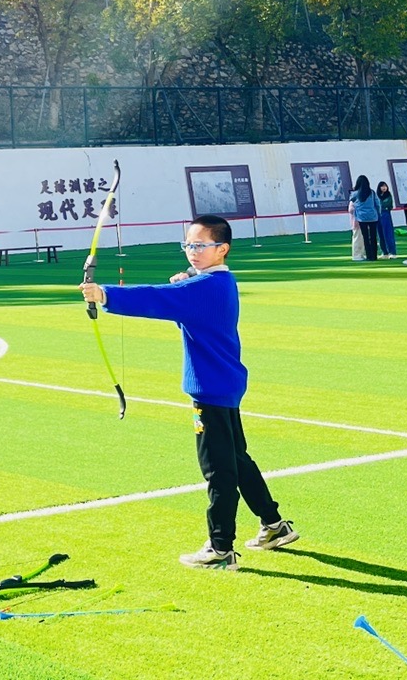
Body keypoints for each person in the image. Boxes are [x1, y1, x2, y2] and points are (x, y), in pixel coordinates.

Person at [80, 213, 296, 570]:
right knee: (237, 460)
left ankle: (220, 549)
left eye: (200, 245)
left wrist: (104, 294)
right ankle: (273, 525)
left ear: (222, 249)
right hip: (223, 384)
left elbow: (158, 298)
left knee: (219, 470)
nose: (191, 251)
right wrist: (190, 280)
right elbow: (183, 301)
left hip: (211, 389)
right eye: (188, 245)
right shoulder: (217, 283)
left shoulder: (203, 288)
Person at [349, 174, 381, 261]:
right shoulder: (372, 193)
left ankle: (368, 255)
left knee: (365, 237)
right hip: (373, 217)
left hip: (362, 218)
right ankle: (374, 255)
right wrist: (378, 213)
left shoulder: (355, 194)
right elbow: (377, 204)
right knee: (373, 236)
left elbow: (352, 207)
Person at [374, 179, 398, 258]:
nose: (384, 188)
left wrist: (381, 206)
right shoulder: (376, 196)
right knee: (380, 234)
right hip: (378, 216)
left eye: (385, 186)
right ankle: (385, 252)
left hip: (386, 214)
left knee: (388, 233)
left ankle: (392, 252)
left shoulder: (388, 195)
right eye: (382, 186)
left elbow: (388, 204)